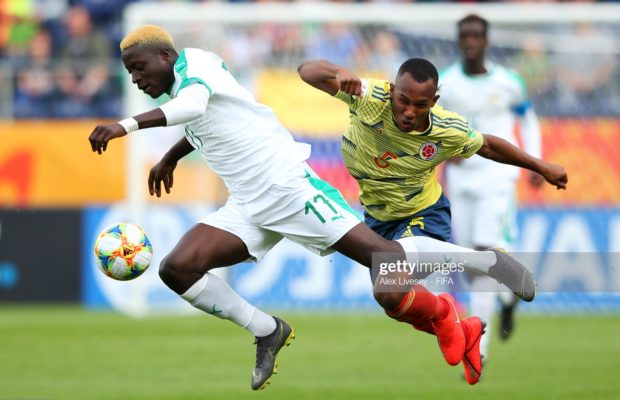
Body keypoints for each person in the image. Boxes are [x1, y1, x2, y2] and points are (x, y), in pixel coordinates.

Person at [89, 25, 543, 390]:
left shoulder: (196, 71)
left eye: (138, 67)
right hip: (248, 204)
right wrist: (170, 156)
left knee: (386, 264)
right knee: (177, 269)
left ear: (165, 57)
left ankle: (488, 262)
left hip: (289, 187)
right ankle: (267, 330)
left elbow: (193, 105)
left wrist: (124, 125)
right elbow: (210, 120)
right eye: (129, 72)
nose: (135, 78)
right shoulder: (191, 80)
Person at [297, 55, 567, 383]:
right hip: (379, 219)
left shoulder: (445, 128)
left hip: (423, 214)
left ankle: (488, 262)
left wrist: (541, 166)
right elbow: (306, 71)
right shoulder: (370, 97)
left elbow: (490, 147)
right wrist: (341, 73)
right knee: (389, 298)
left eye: (420, 104)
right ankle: (455, 324)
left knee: (390, 286)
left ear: (434, 101)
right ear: (393, 90)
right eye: (403, 101)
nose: (409, 111)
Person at [439, 14, 544, 365]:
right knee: (472, 263)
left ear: (486, 41)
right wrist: (443, 156)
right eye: (464, 36)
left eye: (476, 36)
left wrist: (534, 161)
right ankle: (508, 298)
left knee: (485, 251)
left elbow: (527, 118)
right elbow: (435, 126)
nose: (470, 42)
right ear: (459, 41)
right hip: (462, 180)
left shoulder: (509, 82)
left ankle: (476, 350)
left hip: (498, 179)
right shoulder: (448, 83)